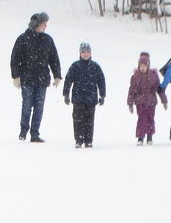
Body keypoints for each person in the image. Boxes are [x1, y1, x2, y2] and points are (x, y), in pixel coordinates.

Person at [9, 12, 62, 143]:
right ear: (37, 24)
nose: (46, 26)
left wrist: (57, 75)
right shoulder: (23, 39)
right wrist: (16, 76)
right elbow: (15, 58)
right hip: (27, 79)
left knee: (39, 108)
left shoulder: (47, 40)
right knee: (27, 105)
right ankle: (23, 131)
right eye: (44, 23)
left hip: (42, 80)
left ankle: (35, 133)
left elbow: (54, 58)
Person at [62, 42, 106, 148]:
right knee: (78, 120)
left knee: (90, 120)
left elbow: (101, 81)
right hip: (78, 99)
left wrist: (102, 95)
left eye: (87, 52)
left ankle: (88, 140)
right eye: (83, 52)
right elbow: (68, 80)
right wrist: (66, 94)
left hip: (91, 99)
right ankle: (79, 139)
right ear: (80, 53)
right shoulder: (75, 66)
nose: (86, 54)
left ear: (90, 53)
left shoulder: (95, 66)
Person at [126, 52, 167, 145]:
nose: (143, 68)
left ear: (148, 66)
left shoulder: (153, 76)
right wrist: (130, 103)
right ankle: (140, 137)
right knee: (141, 119)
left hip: (151, 102)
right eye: (141, 66)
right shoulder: (135, 77)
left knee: (150, 118)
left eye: (144, 65)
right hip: (140, 103)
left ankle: (149, 136)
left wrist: (164, 100)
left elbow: (159, 89)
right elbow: (131, 90)